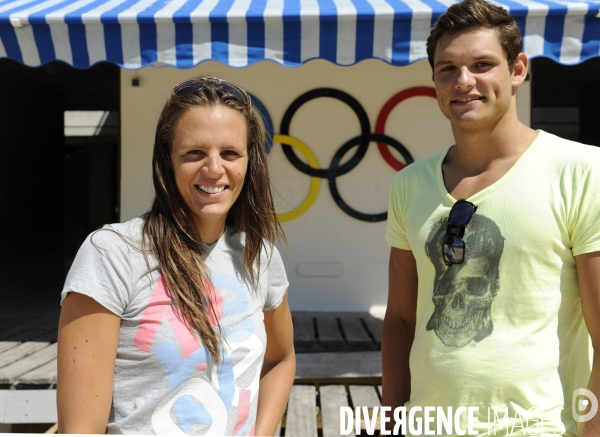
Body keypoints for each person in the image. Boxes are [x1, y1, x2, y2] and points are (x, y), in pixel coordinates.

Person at [382, 0, 600, 435]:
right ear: (435, 82)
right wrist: (392, 423)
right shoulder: (409, 184)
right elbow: (400, 322)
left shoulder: (582, 171)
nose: (464, 82)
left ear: (517, 69)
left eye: (482, 64)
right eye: (448, 69)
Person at [56, 77, 295, 435]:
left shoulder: (259, 256)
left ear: (250, 162)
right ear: (167, 161)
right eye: (194, 153)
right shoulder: (113, 255)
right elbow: (80, 430)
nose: (214, 169)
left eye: (230, 153)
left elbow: (281, 358)